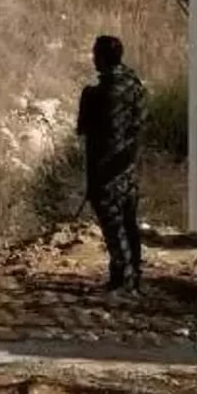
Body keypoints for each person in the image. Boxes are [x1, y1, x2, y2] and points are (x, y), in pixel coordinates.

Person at [76, 35, 148, 294]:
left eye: (96, 54)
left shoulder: (97, 94)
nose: (93, 59)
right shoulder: (135, 87)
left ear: (103, 58)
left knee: (113, 227)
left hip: (104, 170)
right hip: (128, 169)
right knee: (129, 223)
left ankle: (122, 278)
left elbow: (83, 129)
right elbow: (140, 124)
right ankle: (133, 274)